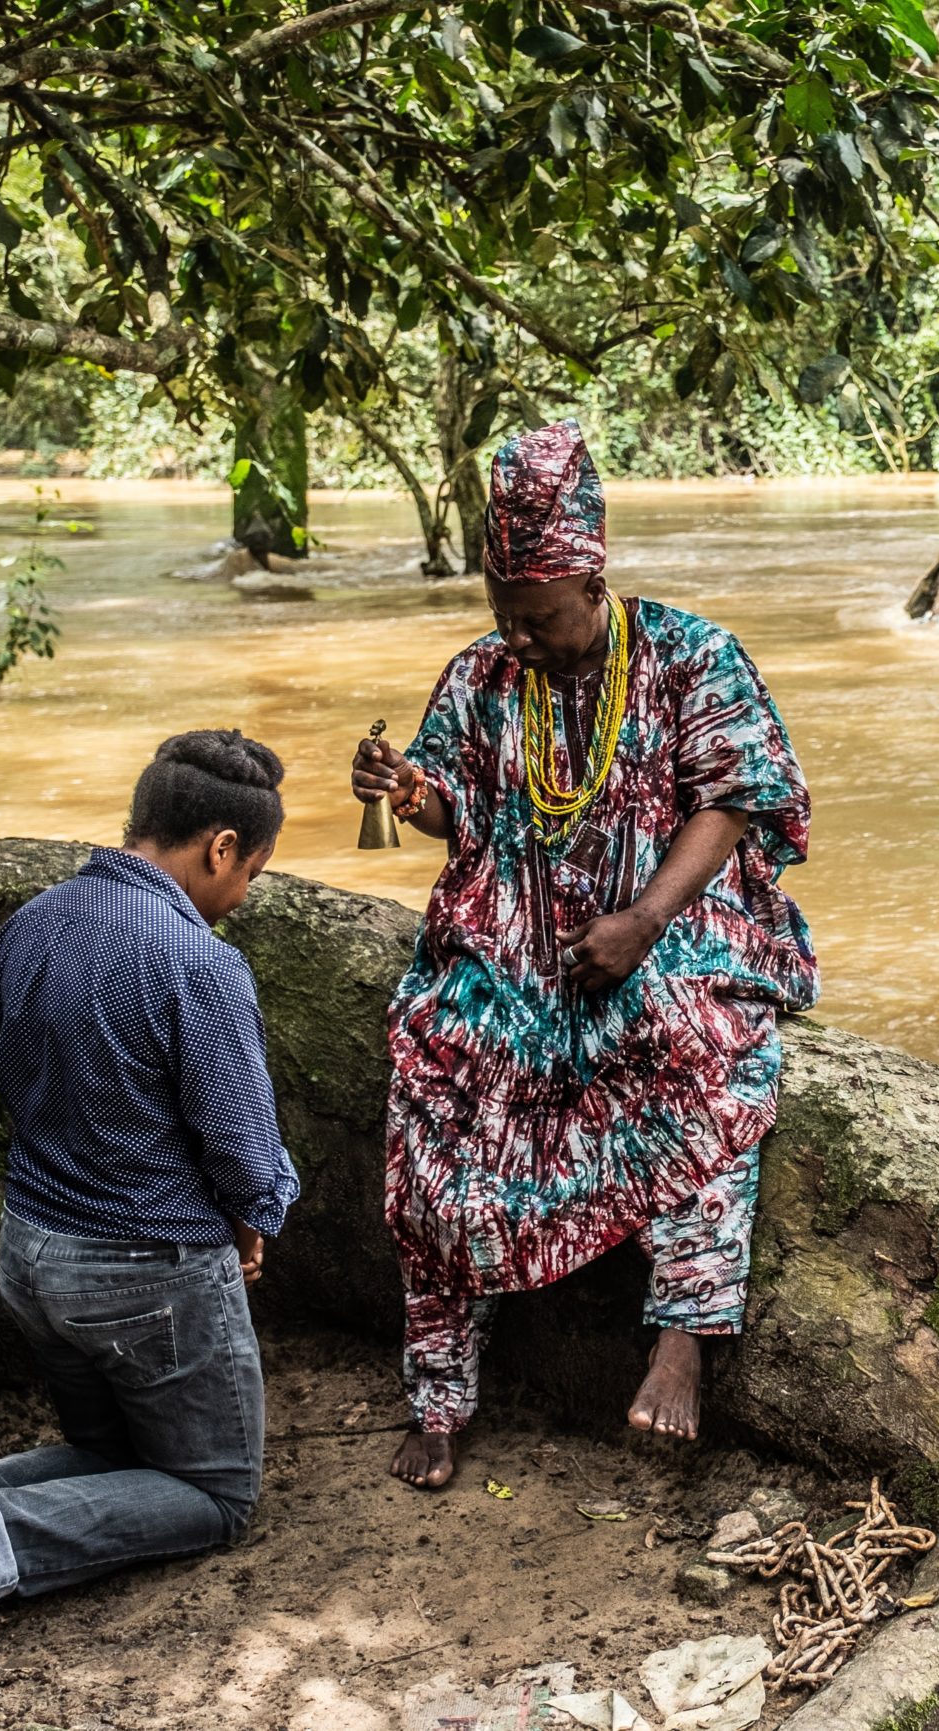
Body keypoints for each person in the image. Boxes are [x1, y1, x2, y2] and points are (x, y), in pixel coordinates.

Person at [352, 418, 815, 1489]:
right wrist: (413, 794)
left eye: (541, 618)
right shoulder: (480, 675)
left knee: (690, 1039)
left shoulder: (690, 653)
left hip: (675, 917)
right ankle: (439, 1389)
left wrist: (645, 920)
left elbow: (737, 798)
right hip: (514, 918)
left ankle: (683, 1337)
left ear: (591, 578)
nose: (520, 638)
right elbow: (455, 805)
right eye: (505, 617)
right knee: (442, 1059)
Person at [0, 731, 300, 1662]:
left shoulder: (33, 922)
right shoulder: (198, 961)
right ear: (221, 847)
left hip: (32, 1253)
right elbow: (244, 1150)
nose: (243, 894)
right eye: (251, 872)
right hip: (149, 1280)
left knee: (119, 1455)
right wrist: (255, 1218)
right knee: (215, 1494)